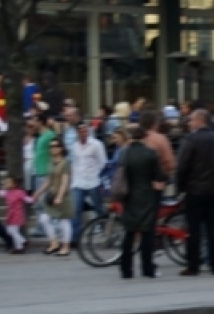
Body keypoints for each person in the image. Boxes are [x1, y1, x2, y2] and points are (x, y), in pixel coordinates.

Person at [176, 109, 214, 276]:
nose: (189, 123)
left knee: (194, 231)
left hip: (194, 191)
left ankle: (193, 265)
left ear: (200, 121)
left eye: (191, 120)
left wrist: (181, 187)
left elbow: (183, 166)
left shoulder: (191, 140)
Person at [118, 124, 167, 279]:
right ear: (144, 137)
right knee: (147, 233)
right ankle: (147, 268)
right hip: (147, 195)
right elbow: (158, 175)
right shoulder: (150, 154)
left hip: (130, 195)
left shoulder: (124, 154)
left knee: (129, 232)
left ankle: (126, 269)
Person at [33, 136, 74, 256]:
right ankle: (54, 243)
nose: (53, 148)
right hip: (51, 195)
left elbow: (64, 182)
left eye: (55, 146)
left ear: (61, 148)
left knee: (64, 221)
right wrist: (38, 192)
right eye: (51, 146)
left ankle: (66, 246)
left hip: (63, 196)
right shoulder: (50, 162)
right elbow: (48, 181)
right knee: (44, 219)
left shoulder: (65, 163)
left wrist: (60, 197)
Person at [69, 122, 108, 244]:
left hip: (93, 181)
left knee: (98, 208)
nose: (83, 133)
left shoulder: (96, 144)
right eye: (80, 131)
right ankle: (75, 238)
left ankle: (106, 233)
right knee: (76, 209)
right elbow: (74, 163)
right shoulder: (74, 146)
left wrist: (97, 175)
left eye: (85, 131)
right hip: (79, 181)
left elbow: (103, 162)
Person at [140, 111, 176, 179]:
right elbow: (170, 163)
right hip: (157, 179)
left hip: (136, 181)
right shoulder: (161, 139)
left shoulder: (131, 140)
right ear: (155, 124)